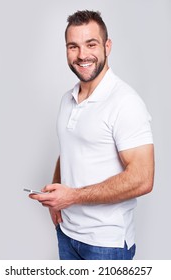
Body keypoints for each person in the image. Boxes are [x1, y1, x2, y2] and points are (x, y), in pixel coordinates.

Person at [30, 10, 154, 260]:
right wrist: (57, 195)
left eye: (91, 44)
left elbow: (143, 178)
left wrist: (72, 197)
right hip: (67, 233)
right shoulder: (68, 99)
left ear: (107, 46)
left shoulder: (125, 102)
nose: (82, 55)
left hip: (106, 244)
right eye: (73, 46)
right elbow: (68, 148)